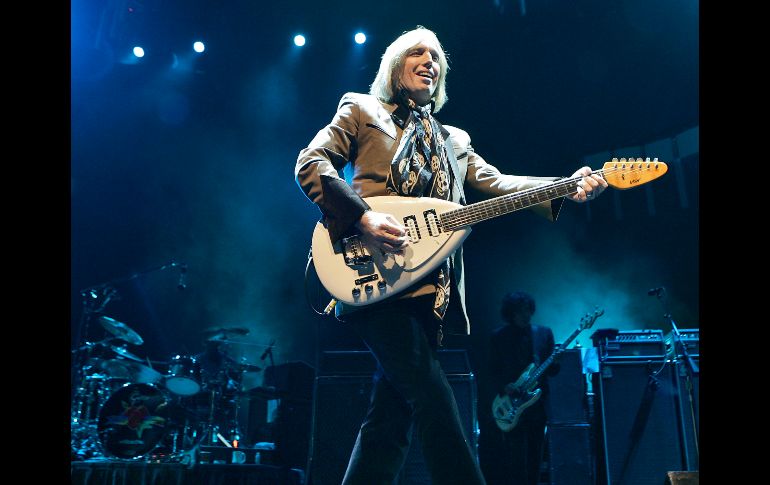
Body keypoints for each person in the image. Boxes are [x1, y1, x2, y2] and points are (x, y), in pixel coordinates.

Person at [295, 26, 606, 485]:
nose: (430, 61)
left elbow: (499, 183)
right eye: (417, 52)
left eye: (437, 56)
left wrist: (565, 185)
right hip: (371, 277)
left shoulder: (454, 140)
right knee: (434, 400)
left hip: (428, 294)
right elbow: (311, 162)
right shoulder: (361, 109)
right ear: (394, 65)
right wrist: (362, 218)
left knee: (389, 423)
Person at [480, 291, 559, 485]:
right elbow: (491, 370)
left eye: (527, 310)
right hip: (511, 404)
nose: (525, 315)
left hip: (536, 404)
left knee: (536, 456)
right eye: (519, 311)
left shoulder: (544, 333)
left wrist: (556, 360)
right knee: (514, 459)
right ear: (511, 313)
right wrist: (504, 387)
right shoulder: (498, 337)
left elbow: (553, 370)